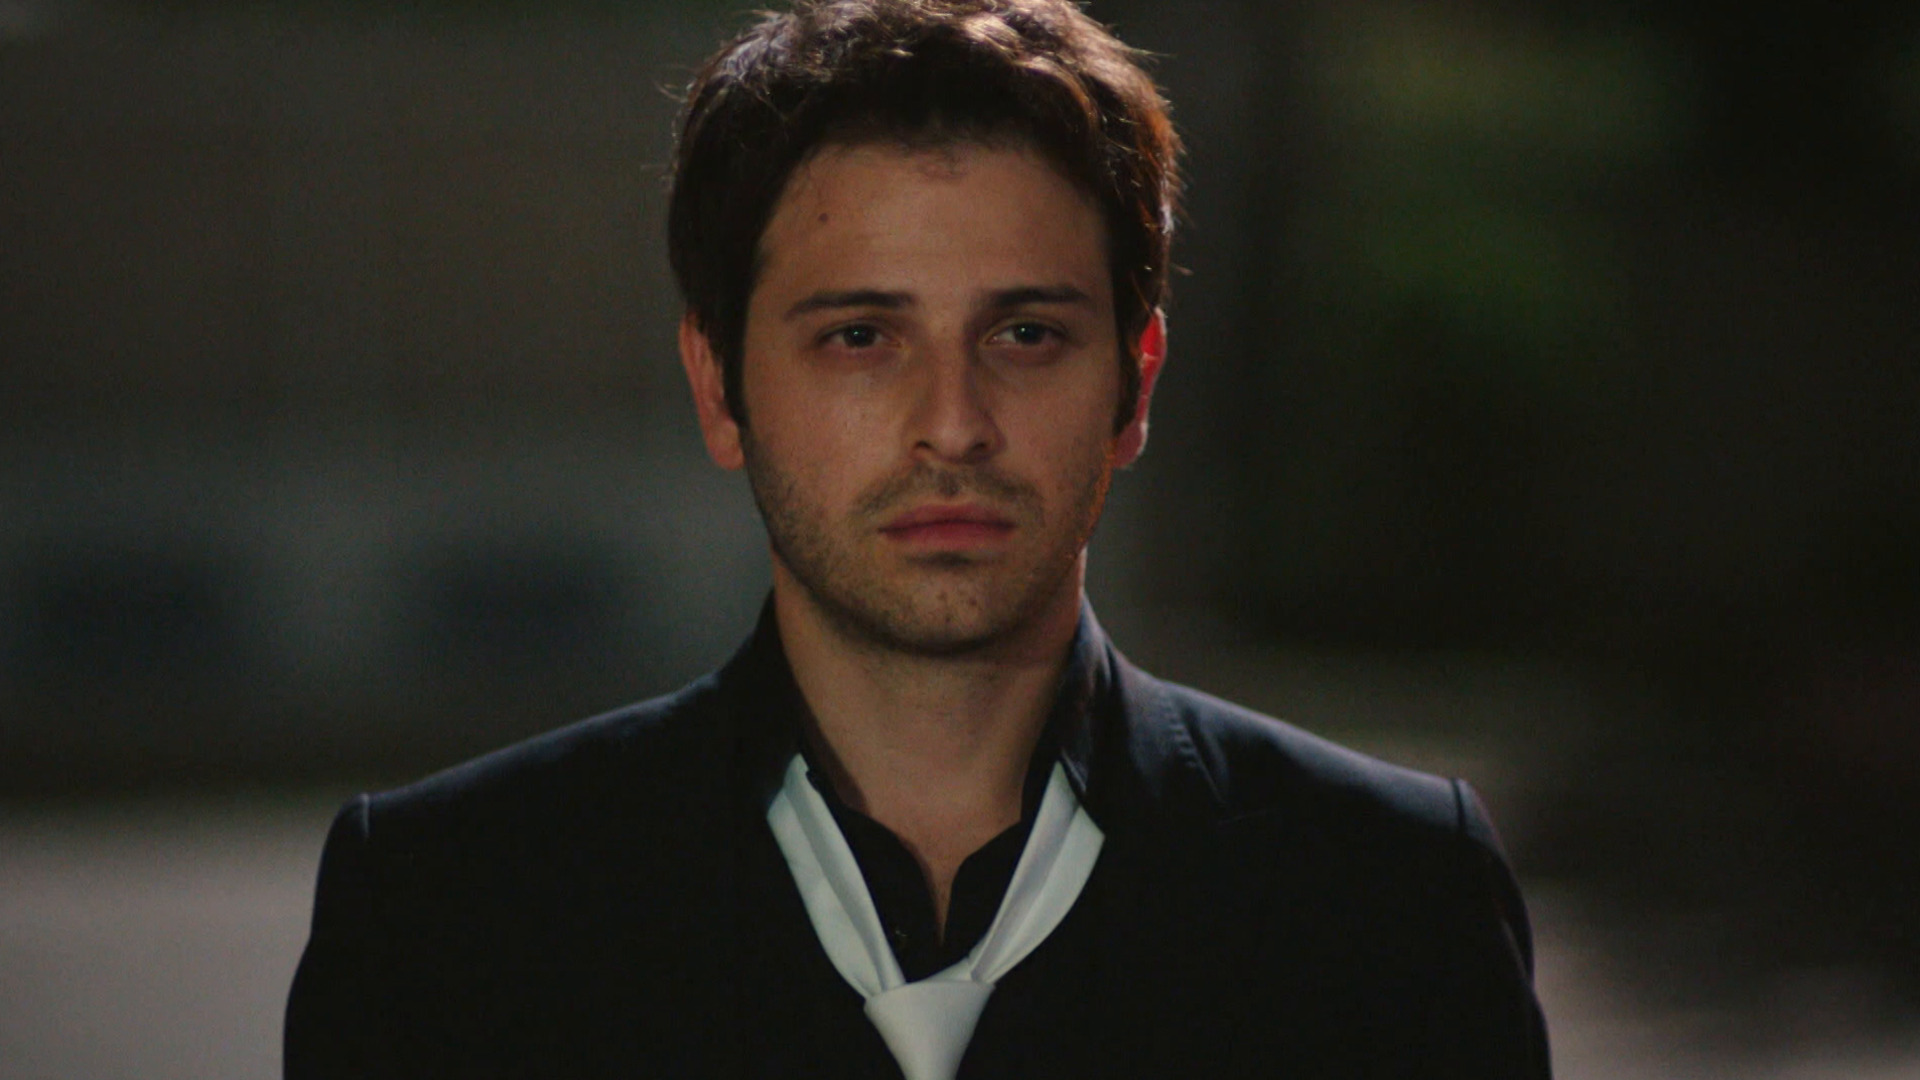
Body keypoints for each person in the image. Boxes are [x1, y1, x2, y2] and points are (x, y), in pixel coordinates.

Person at [284, 1, 1551, 1076]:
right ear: (720, 389)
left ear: (1136, 384)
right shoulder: (448, 914)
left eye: (1026, 335)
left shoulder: (1390, 901)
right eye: (860, 338)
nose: (952, 424)